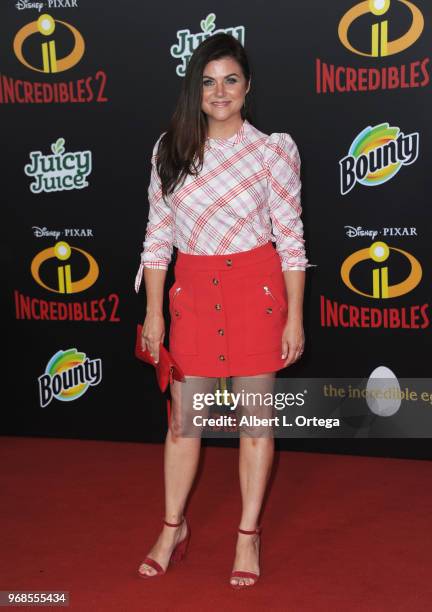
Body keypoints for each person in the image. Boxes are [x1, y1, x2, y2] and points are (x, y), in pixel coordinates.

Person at [134, 33, 312, 588]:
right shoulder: (170, 149)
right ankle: (172, 527)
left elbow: (292, 238)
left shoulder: (272, 150)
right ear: (196, 89)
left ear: (247, 86)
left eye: (230, 79)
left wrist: (295, 315)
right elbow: (158, 237)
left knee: (255, 424)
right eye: (209, 81)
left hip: (256, 291)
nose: (220, 91)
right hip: (191, 290)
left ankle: (247, 534)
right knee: (184, 425)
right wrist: (154, 312)